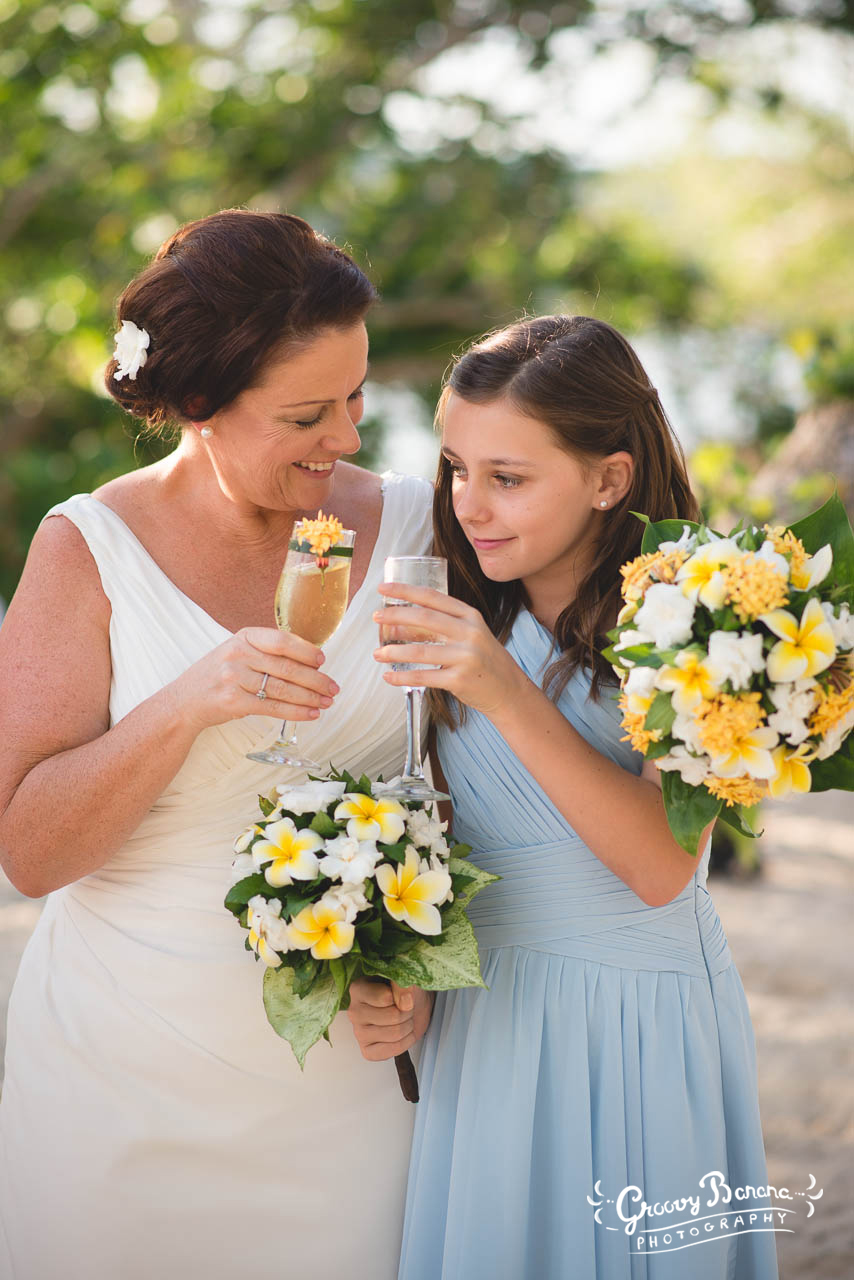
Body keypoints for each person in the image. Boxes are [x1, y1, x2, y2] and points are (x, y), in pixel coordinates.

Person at [0, 209, 434, 1280]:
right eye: (306, 412)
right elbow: (29, 852)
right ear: (198, 404)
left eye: (356, 395)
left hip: (343, 1088)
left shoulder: (420, 527)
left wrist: (429, 967)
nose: (346, 437)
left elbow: (465, 779)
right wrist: (183, 703)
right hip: (121, 1083)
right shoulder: (85, 546)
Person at [352, 316, 778, 1279]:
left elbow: (662, 867)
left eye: (508, 478)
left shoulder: (707, 616)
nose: (470, 505)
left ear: (609, 478)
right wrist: (410, 978)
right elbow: (446, 830)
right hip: (488, 1019)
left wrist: (496, 683)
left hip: (635, 1016)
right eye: (456, 468)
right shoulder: (462, 601)